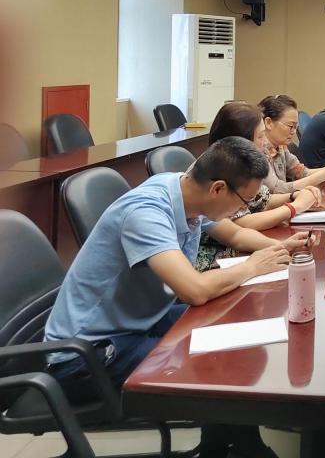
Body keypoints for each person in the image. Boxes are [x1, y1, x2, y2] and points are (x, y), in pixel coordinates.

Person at [45, 137, 310, 457]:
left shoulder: (187, 192)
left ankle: (231, 445)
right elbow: (194, 290)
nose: (243, 209)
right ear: (218, 189)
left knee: (233, 325)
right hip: (87, 356)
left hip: (138, 323)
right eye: (244, 200)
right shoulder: (146, 212)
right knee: (217, 360)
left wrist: (281, 248)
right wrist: (252, 267)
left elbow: (237, 234)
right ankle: (238, 448)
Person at [193, 102, 323, 271]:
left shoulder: (238, 164)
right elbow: (242, 223)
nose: (265, 143)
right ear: (240, 140)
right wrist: (294, 207)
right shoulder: (215, 171)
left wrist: (283, 245)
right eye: (261, 136)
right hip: (216, 265)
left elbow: (240, 228)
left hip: (234, 258)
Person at [259, 94, 325, 193]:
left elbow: (301, 172)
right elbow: (276, 189)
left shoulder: (281, 146)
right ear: (269, 123)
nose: (293, 131)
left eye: (295, 127)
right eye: (290, 126)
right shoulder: (258, 150)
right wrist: (322, 175)